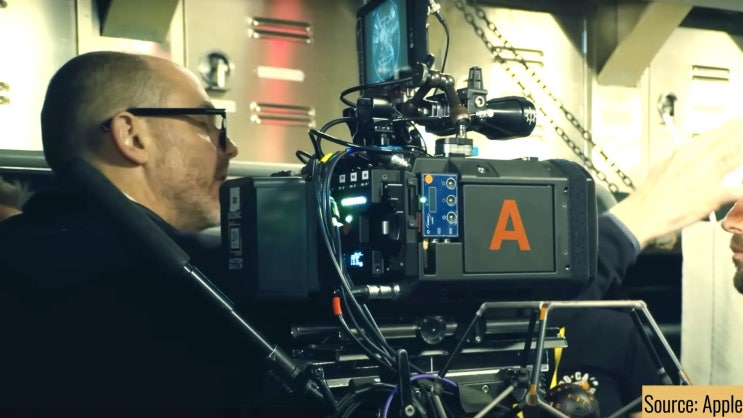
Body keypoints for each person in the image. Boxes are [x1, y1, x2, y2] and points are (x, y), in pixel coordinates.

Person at [0, 51, 268, 416]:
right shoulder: (186, 290)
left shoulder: (16, 252)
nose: (230, 147)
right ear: (132, 136)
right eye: (207, 123)